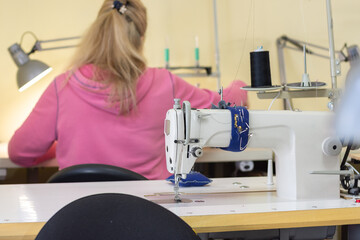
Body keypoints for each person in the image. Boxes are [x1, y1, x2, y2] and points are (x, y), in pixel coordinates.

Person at [8, 0, 248, 180]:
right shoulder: (165, 83)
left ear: (98, 33)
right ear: (141, 38)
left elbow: (19, 153)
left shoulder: (63, 87)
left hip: (79, 221)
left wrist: (61, 145)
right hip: (147, 220)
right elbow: (227, 105)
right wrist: (239, 86)